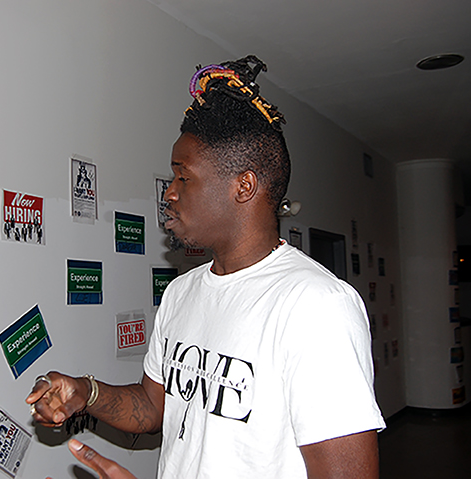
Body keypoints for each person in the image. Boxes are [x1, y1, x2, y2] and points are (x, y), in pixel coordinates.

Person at [27, 55, 385, 478]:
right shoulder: (181, 292)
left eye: (184, 177)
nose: (169, 193)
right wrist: (86, 393)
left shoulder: (316, 306)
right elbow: (153, 407)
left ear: (243, 186)